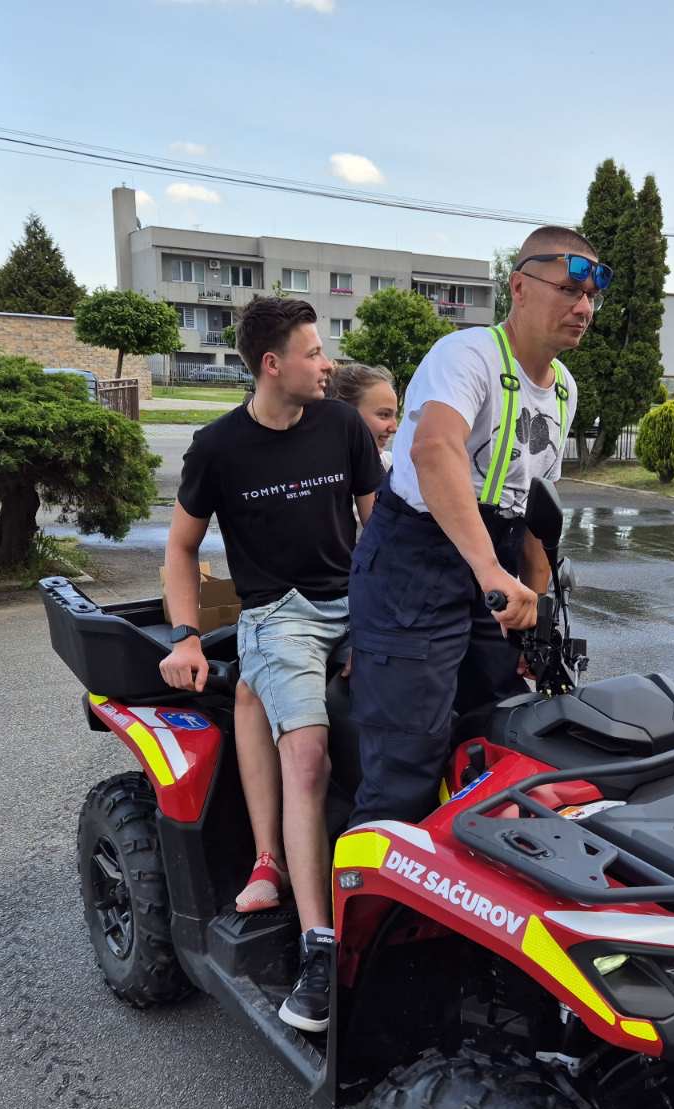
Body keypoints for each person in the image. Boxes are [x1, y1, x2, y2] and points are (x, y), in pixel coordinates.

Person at [157, 295, 383, 1033]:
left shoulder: (343, 426)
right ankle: (318, 944)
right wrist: (186, 637)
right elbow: (181, 547)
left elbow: (378, 531)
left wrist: (384, 621)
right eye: (314, 353)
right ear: (271, 364)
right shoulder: (218, 447)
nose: (328, 364)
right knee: (308, 756)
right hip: (277, 614)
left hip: (353, 602)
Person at [347, 225, 606, 828]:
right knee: (408, 761)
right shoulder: (466, 355)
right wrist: (490, 570)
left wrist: (538, 614)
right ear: (519, 286)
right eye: (569, 290)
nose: (583, 308)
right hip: (415, 566)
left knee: (499, 737)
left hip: (492, 567)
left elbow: (537, 505)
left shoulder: (563, 390)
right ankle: (362, 883)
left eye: (591, 297)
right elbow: (434, 452)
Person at [329, 363, 399, 471]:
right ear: (344, 413)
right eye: (384, 415)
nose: (394, 428)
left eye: (395, 415)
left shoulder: (392, 466)